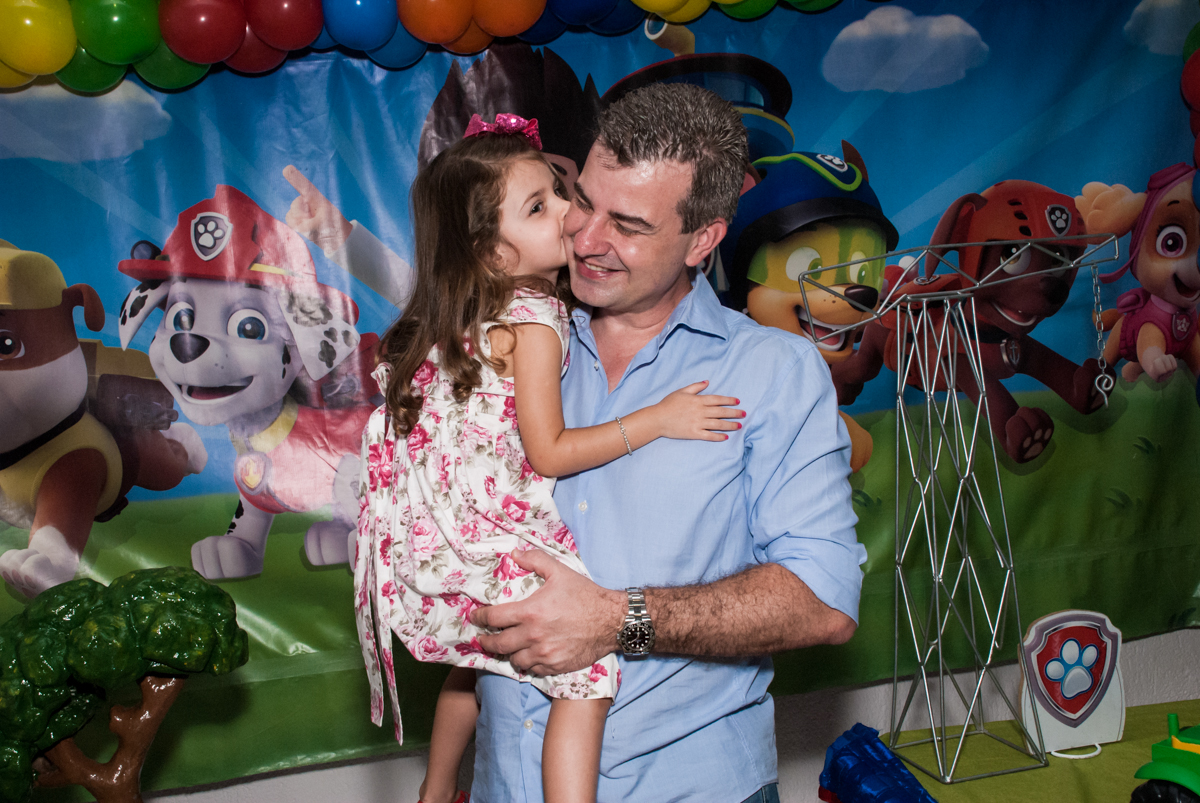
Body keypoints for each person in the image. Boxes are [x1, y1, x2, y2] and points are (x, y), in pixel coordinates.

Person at [467, 84, 867, 803]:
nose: (586, 238)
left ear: (702, 240)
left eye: (628, 225)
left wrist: (615, 620)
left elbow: (823, 599)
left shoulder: (772, 371)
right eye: (581, 201)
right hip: (505, 780)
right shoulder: (503, 339)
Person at [353, 115, 744, 803]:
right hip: (494, 532)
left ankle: (436, 790)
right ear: (492, 252)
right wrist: (657, 419)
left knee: (481, 660)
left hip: (441, 539)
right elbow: (551, 450)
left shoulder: (460, 317)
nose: (569, 213)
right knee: (588, 679)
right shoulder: (533, 320)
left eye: (561, 192)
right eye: (540, 206)